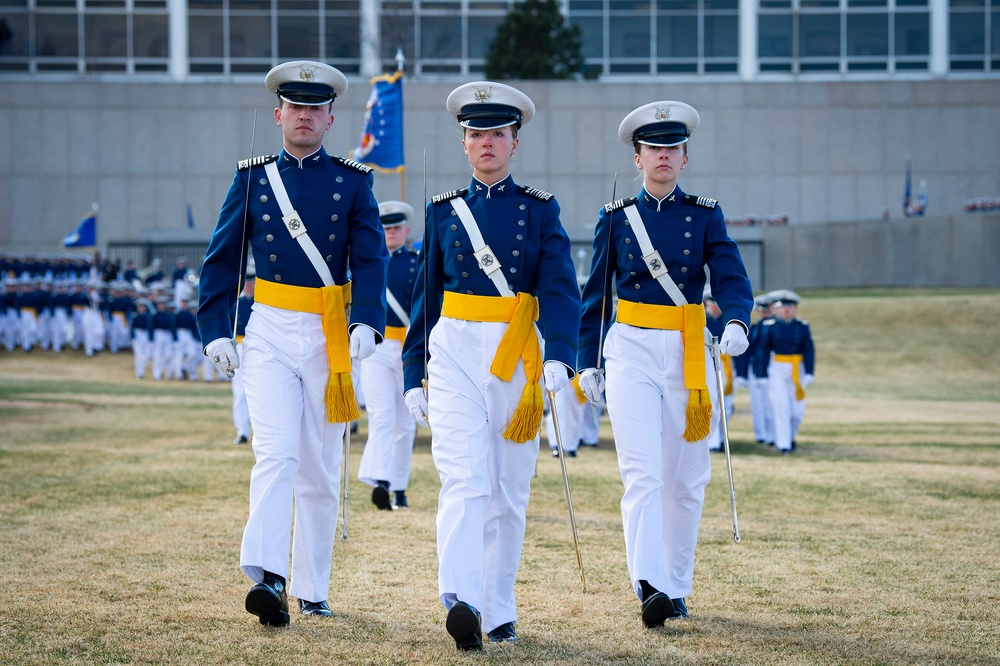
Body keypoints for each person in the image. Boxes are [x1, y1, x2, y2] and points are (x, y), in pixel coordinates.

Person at [197, 60, 389, 627]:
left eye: (316, 108)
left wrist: (367, 322)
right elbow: (223, 258)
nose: (304, 116)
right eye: (295, 107)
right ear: (278, 114)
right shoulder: (253, 178)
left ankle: (313, 587)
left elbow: (371, 259)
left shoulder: (354, 181)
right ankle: (268, 578)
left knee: (321, 469)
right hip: (270, 330)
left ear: (330, 118)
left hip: (328, 336)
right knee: (275, 454)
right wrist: (215, 330)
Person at [400, 81, 580, 650]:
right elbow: (425, 299)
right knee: (463, 478)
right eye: (475, 134)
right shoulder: (443, 212)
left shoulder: (540, 210)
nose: (485, 144)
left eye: (496, 134)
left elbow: (560, 289)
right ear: (463, 143)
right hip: (454, 351)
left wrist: (560, 356)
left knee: (507, 491)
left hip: (514, 356)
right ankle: (462, 599)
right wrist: (411, 372)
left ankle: (499, 607)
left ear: (513, 143)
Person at [577, 101, 753, 628]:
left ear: (684, 157)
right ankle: (648, 583)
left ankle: (677, 586)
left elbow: (731, 276)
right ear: (637, 158)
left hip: (688, 351)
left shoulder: (705, 214)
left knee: (686, 478)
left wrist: (738, 321)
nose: (662, 156)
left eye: (671, 148)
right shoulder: (616, 218)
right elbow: (594, 297)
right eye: (652, 148)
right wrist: (588, 359)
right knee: (642, 472)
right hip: (630, 346)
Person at [357, 201, 419, 510]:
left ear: (406, 231)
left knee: (406, 422)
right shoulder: (367, 261)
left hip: (408, 347)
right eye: (386, 227)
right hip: (378, 346)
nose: (391, 232)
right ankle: (379, 478)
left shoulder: (418, 262)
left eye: (396, 227)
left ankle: (399, 487)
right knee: (381, 415)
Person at [753, 289, 814, 454]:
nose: (786, 310)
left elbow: (809, 350)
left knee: (796, 411)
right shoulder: (769, 326)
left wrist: (809, 372)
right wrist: (762, 374)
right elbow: (763, 351)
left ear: (795, 308)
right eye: (782, 307)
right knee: (780, 407)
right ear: (775, 308)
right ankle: (783, 444)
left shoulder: (802, 326)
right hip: (776, 368)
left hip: (796, 368)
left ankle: (790, 437)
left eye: (790, 306)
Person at [704, 289, 734, 453]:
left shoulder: (727, 321)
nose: (714, 307)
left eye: (717, 304)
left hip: (726, 362)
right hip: (707, 362)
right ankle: (712, 441)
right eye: (711, 303)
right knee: (712, 401)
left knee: (726, 405)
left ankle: (722, 438)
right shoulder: (702, 320)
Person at [231, 271, 255, 443]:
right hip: (240, 345)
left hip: (258, 346)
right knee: (239, 392)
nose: (249, 285)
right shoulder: (237, 303)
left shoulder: (260, 302)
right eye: (246, 282)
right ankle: (242, 431)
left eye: (251, 282)